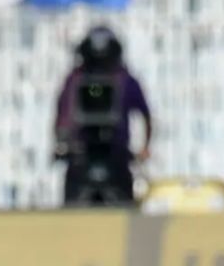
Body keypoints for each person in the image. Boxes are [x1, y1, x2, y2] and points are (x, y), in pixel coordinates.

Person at [54, 26, 152, 207]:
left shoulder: (123, 80)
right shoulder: (76, 79)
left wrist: (145, 147)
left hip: (115, 156)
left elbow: (146, 114)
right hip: (82, 156)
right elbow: (61, 113)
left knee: (121, 207)